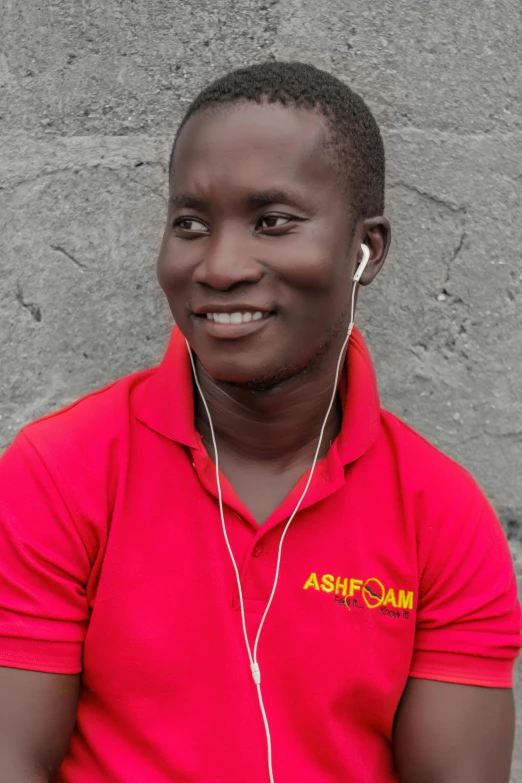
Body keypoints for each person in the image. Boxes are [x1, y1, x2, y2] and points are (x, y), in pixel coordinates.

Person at [0, 61, 520, 783]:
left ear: (366, 250)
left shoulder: (442, 518)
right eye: (190, 223)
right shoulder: (61, 472)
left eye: (271, 221)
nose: (219, 264)